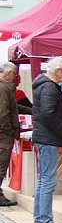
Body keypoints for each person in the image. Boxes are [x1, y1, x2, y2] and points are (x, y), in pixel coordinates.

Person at [32, 57, 62, 223]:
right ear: (58, 71)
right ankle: (46, 221)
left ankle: (39, 219)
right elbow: (48, 114)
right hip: (48, 138)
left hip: (44, 136)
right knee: (48, 180)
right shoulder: (49, 87)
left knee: (43, 179)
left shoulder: (43, 86)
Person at [0, 62, 22, 207]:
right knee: (1, 164)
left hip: (3, 132)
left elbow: (12, 106)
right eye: (14, 74)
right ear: (8, 73)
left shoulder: (5, 88)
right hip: (3, 134)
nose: (16, 77)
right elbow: (3, 112)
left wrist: (32, 110)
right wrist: (9, 131)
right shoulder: (4, 88)